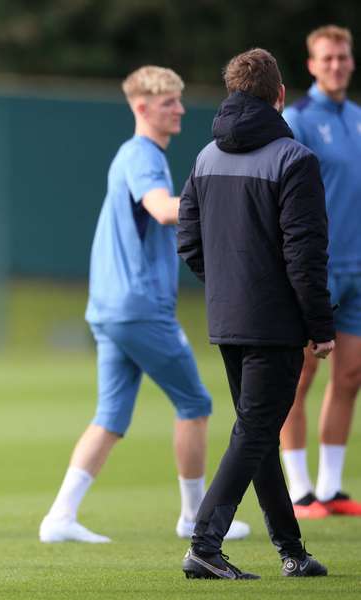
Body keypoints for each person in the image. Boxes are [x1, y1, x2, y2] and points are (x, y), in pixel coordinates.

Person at [38, 66, 249, 545]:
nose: (179, 108)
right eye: (169, 101)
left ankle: (59, 517)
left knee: (110, 417)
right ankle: (195, 518)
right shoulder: (142, 155)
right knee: (195, 403)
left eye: (178, 100)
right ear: (141, 107)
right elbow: (161, 208)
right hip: (137, 307)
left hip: (112, 308)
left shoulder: (134, 155)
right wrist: (221, 196)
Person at [178, 48, 333, 579]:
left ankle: (291, 551)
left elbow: (189, 241)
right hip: (275, 323)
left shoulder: (204, 157)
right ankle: (204, 543)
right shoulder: (296, 159)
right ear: (279, 95)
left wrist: (228, 287)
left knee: (257, 429)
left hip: (227, 318)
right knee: (256, 430)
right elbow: (305, 257)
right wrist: (321, 327)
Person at [280, 25, 361, 519]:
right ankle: (300, 489)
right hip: (317, 268)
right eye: (326, 58)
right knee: (301, 374)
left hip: (358, 269)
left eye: (342, 57)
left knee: (350, 375)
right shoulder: (299, 118)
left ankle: (331, 488)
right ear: (311, 65)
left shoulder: (357, 118)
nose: (335, 65)